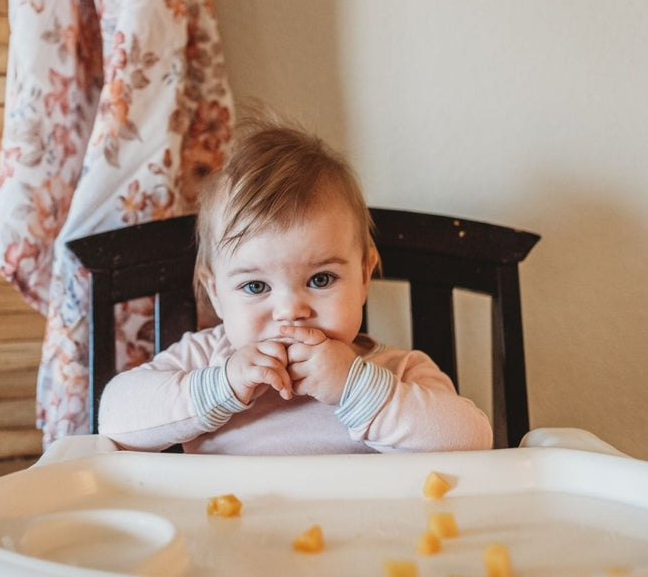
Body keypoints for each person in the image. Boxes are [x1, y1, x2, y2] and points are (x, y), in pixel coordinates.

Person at [98, 120, 493, 454]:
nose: (290, 310)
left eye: (320, 279)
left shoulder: (397, 372)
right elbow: (114, 417)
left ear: (364, 276)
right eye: (255, 286)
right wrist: (221, 386)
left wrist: (355, 388)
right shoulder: (207, 359)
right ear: (215, 292)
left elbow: (473, 440)